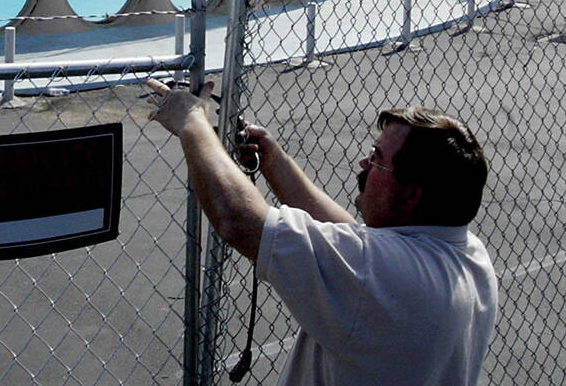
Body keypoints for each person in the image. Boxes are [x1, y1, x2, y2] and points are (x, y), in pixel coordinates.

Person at [145, 78, 497, 386]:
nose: (364, 164)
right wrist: (272, 159)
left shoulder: (381, 273)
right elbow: (351, 239)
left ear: (411, 193)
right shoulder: (469, 255)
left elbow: (238, 219)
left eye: (376, 158)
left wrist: (192, 122)